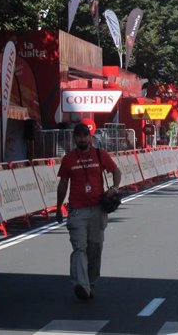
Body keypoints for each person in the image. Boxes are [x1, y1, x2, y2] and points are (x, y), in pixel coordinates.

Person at [56, 123, 122, 301]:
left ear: (90, 137)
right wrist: (58, 207)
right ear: (74, 138)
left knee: (95, 248)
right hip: (77, 211)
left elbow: (116, 171)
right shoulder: (68, 159)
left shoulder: (100, 155)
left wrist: (114, 188)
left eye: (85, 135)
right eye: (78, 136)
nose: (82, 139)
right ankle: (81, 285)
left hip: (98, 209)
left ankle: (90, 282)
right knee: (79, 248)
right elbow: (63, 184)